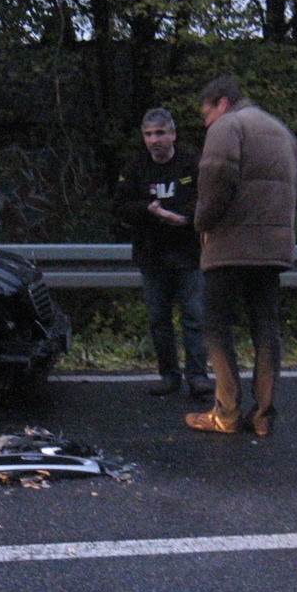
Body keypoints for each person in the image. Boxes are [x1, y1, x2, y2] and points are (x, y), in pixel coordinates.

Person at [185, 75, 297, 437]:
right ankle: (264, 415)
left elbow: (215, 179)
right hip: (272, 249)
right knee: (265, 327)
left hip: (230, 246)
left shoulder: (227, 126)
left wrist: (202, 222)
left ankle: (227, 412)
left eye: (207, 114)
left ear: (221, 103)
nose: (206, 123)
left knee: (216, 326)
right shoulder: (281, 131)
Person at [114, 107, 212, 398]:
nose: (154, 140)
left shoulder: (191, 164)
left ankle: (198, 376)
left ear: (172, 134)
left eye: (159, 133)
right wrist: (148, 210)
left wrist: (180, 218)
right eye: (148, 134)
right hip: (152, 254)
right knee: (159, 319)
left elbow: (206, 201)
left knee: (194, 317)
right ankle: (169, 375)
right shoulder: (135, 168)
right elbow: (120, 206)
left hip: (187, 254)